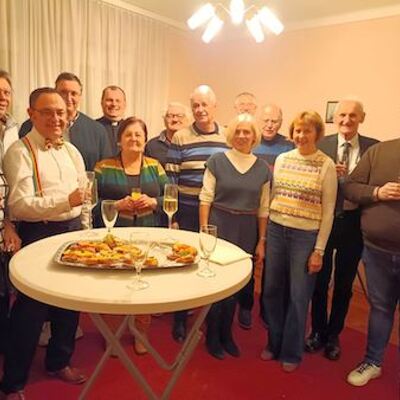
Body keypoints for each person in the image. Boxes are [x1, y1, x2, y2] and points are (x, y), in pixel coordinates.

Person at [0, 87, 88, 399]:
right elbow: (19, 206)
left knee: (69, 303)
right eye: (47, 112)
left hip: (72, 232)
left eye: (60, 112)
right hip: (39, 233)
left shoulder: (71, 151)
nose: (56, 118)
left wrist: (86, 231)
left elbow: (84, 198)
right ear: (31, 114)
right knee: (30, 311)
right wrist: (66, 201)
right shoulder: (19, 151)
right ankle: (13, 382)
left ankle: (59, 361)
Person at [261, 111, 337, 372]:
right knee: (272, 290)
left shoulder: (326, 165)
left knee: (298, 295)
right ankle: (274, 343)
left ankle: (291, 352)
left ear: (317, 133)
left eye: (307, 130)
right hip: (276, 230)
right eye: (298, 130)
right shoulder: (282, 159)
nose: (301, 135)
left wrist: (319, 250)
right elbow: (273, 196)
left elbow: (328, 212)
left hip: (305, 237)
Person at [305, 100, 379, 360]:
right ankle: (317, 331)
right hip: (324, 221)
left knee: (344, 284)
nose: (347, 120)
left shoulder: (374, 148)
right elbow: (307, 180)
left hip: (354, 222)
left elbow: (376, 184)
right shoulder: (321, 145)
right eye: (343, 115)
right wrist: (326, 175)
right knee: (319, 279)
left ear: (362, 118)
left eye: (353, 115)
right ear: (335, 118)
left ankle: (333, 334)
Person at [95, 116, 169, 355]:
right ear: (119, 141)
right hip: (113, 237)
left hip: (147, 235)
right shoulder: (103, 167)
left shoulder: (155, 166)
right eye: (128, 135)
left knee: (143, 285)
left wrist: (154, 202)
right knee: (113, 285)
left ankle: (141, 332)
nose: (134, 139)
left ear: (146, 140)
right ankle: (112, 334)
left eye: (139, 135)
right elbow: (90, 202)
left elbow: (170, 197)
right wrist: (116, 205)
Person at [199, 113, 270, 359]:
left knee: (236, 284)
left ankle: (227, 334)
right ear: (231, 134)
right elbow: (205, 197)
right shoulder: (216, 161)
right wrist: (204, 231)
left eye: (246, 131)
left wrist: (261, 241)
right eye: (237, 131)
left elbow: (264, 208)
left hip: (247, 229)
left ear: (254, 136)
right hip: (219, 224)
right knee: (217, 282)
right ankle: (212, 335)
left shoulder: (263, 169)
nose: (241, 135)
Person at [165, 84, 227, 342]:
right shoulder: (181, 136)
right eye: (195, 106)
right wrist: (173, 217)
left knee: (213, 264)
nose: (200, 109)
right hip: (188, 210)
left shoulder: (227, 136)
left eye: (204, 105)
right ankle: (180, 319)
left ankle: (211, 320)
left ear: (214, 106)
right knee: (185, 264)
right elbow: (170, 179)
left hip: (217, 211)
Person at [344, 138, 400, 387]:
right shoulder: (379, 151)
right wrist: (378, 192)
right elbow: (350, 187)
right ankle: (373, 362)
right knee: (380, 308)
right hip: (378, 250)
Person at [249, 104, 294, 329]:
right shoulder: (249, 141)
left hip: (276, 212)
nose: (269, 125)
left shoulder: (289, 145)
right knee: (248, 258)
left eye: (274, 121)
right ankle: (244, 305)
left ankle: (268, 312)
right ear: (258, 120)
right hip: (250, 211)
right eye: (265, 120)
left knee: (272, 266)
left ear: (281, 122)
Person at [19, 72, 112, 170]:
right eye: (63, 92)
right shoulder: (31, 125)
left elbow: (106, 170)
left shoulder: (97, 130)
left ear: (80, 96)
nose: (68, 98)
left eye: (74, 93)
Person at [0, 70, 21, 354]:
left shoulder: (13, 129)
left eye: (6, 92)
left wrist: (8, 222)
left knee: (4, 293)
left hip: (5, 220)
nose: (2, 97)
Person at [145, 102, 190, 169]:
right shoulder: (151, 146)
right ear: (164, 120)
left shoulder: (195, 143)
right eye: (170, 116)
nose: (175, 119)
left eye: (180, 116)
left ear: (187, 120)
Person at [96, 85, 127, 156]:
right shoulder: (93, 127)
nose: (114, 104)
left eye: (118, 101)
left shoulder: (129, 128)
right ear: (102, 103)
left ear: (124, 104)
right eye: (109, 100)